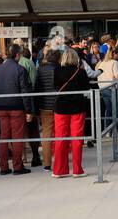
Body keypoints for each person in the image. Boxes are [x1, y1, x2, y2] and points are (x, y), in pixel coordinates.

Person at [0, 44, 34, 175]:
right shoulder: (20, 69)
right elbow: (24, 91)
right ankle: (17, 166)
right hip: (17, 107)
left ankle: (3, 167)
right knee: (17, 137)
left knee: (3, 136)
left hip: (1, 107)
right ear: (18, 55)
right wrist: (28, 110)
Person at [52, 48, 90, 177]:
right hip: (77, 107)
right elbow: (87, 88)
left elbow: (55, 86)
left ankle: (59, 170)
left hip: (61, 107)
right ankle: (77, 170)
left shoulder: (57, 71)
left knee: (60, 138)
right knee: (77, 139)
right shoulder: (80, 72)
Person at [35, 49, 60, 173]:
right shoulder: (59, 69)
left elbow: (37, 88)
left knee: (46, 134)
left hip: (44, 105)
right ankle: (60, 161)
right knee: (60, 133)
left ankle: (47, 164)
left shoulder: (40, 70)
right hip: (59, 105)